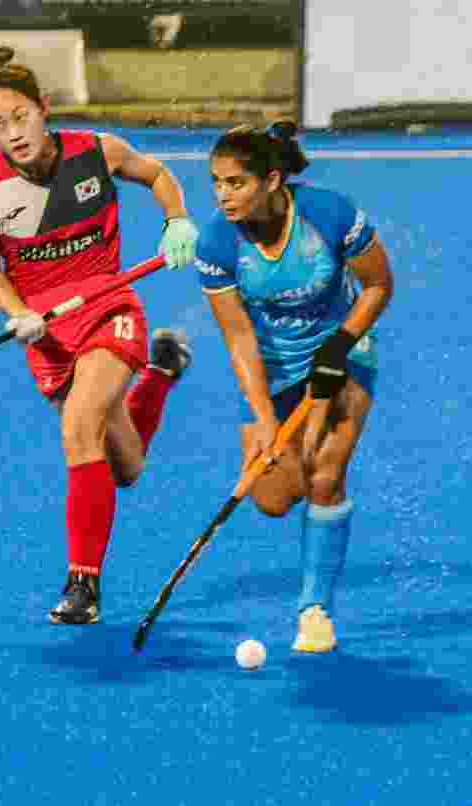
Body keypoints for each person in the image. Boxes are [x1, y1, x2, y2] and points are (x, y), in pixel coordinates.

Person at [0, 46, 198, 624]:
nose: (12, 134)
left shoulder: (96, 152)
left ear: (44, 109)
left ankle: (83, 585)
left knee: (78, 425)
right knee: (126, 467)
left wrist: (176, 218)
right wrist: (19, 313)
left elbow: (158, 175)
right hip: (48, 334)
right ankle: (163, 373)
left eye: (21, 117)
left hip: (109, 307)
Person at [195, 121, 393, 652]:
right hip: (274, 365)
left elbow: (378, 284)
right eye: (216, 182)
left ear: (272, 180)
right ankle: (307, 491)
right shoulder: (216, 242)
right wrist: (263, 417)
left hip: (341, 347)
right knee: (274, 498)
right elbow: (239, 338)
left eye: (236, 182)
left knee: (326, 476)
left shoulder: (329, 215)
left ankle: (315, 610)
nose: (222, 194)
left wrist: (340, 345)